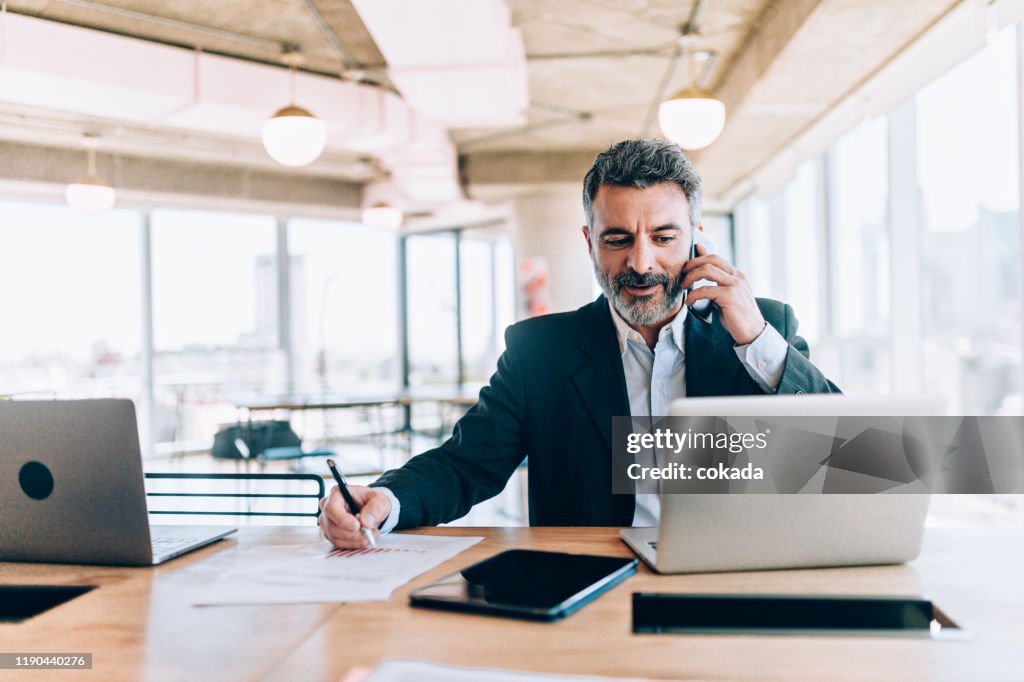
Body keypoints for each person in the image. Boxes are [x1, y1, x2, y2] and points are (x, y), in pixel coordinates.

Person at [320, 138, 839, 548]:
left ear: (696, 237)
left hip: (733, 581)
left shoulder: (761, 329)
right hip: (587, 585)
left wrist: (757, 343)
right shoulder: (540, 351)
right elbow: (465, 465)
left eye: (663, 237)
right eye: (618, 239)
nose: (640, 263)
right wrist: (386, 499)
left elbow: (854, 464)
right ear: (590, 242)